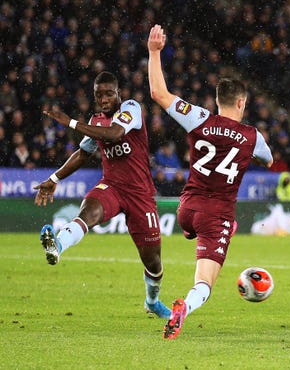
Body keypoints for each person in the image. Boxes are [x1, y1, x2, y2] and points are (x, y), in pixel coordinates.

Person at [147, 24, 273, 340]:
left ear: (217, 101)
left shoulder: (198, 117)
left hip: (187, 208)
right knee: (204, 284)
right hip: (216, 215)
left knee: (202, 228)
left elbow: (158, 94)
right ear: (242, 103)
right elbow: (268, 160)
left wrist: (154, 52)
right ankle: (183, 310)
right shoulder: (253, 137)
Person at [34, 71, 171, 320]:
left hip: (140, 195)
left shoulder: (131, 109)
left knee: (153, 262)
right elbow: (82, 153)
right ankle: (58, 245)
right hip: (112, 186)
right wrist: (54, 179)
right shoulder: (95, 121)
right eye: (99, 95)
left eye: (109, 93)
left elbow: (116, 134)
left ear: (118, 93)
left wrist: (71, 123)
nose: (104, 99)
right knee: (88, 213)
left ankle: (152, 302)